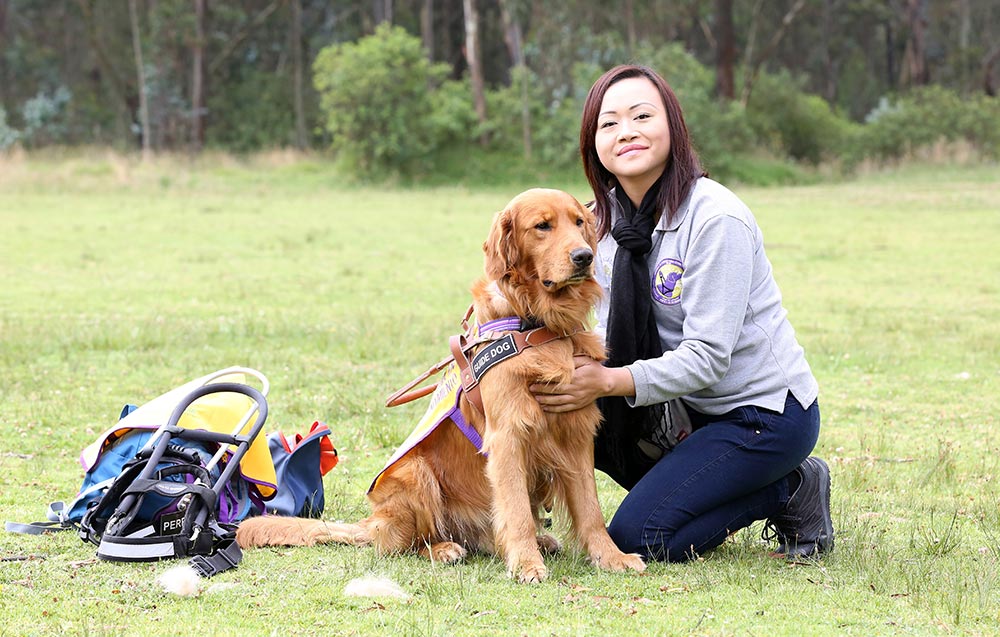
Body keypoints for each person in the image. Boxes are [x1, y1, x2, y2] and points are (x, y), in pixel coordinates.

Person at [530, 64, 833, 562]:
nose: (626, 131)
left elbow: (709, 357)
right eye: (609, 123)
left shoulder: (716, 219)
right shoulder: (591, 223)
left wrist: (607, 382)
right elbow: (540, 294)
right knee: (559, 400)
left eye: (642, 115)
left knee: (639, 538)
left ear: (672, 124)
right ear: (593, 143)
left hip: (759, 416)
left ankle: (793, 486)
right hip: (680, 410)